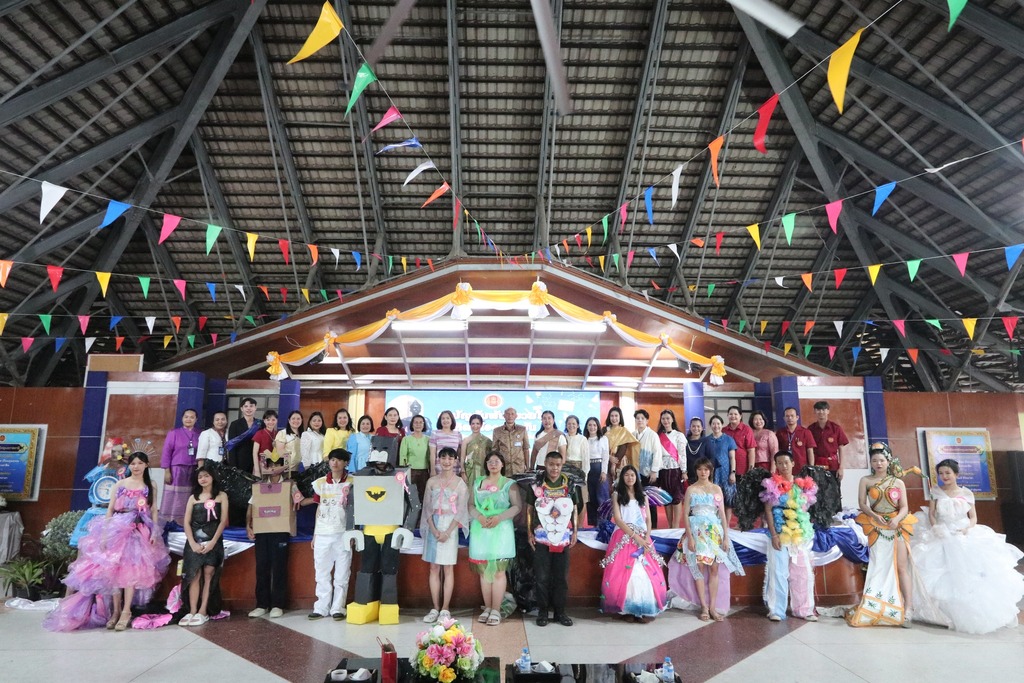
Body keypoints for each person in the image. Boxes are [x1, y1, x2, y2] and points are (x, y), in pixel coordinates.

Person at [49, 451, 171, 632]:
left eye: (140, 463)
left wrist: (154, 531)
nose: (136, 467)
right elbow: (110, 510)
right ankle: (115, 612)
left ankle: (126, 612)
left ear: (146, 465)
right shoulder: (120, 484)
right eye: (133, 463)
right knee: (114, 570)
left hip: (138, 530)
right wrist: (105, 534)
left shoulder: (150, 485)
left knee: (131, 570)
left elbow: (153, 511)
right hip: (118, 528)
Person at [910, 459, 1024, 634]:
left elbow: (973, 517)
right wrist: (936, 527)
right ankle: (941, 615)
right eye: (941, 473)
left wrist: (967, 529)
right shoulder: (935, 492)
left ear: (956, 474)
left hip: (963, 532)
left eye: (948, 473)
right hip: (942, 532)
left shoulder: (966, 493)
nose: (944, 476)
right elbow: (932, 514)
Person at [847, 443, 916, 627]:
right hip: (876, 527)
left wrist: (897, 519)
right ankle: (877, 605)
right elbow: (862, 503)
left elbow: (904, 507)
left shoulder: (898, 482)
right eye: (874, 460)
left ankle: (909, 608)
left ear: (888, 461)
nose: (878, 463)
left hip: (897, 526)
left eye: (882, 460)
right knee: (878, 565)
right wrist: (874, 515)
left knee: (901, 567)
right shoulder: (865, 480)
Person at [679, 457, 744, 622]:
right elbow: (685, 514)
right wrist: (690, 537)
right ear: (696, 471)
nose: (703, 472)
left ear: (710, 471)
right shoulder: (691, 489)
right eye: (700, 469)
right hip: (697, 531)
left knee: (714, 569)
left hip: (714, 531)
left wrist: (726, 537)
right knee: (700, 567)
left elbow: (722, 514)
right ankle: (704, 607)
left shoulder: (716, 489)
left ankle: (713, 607)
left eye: (706, 469)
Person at [600, 465, 667, 622]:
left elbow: (648, 519)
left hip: (643, 537)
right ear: (622, 477)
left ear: (637, 478)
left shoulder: (643, 496)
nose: (630, 478)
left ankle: (644, 609)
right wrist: (635, 536)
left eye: (632, 475)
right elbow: (618, 519)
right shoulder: (617, 495)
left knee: (644, 570)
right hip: (623, 535)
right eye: (627, 475)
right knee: (625, 571)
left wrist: (646, 537)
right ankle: (627, 610)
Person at [761, 451, 818, 622]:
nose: (783, 466)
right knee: (778, 572)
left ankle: (804, 610)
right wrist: (774, 534)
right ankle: (776, 610)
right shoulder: (773, 485)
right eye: (779, 463)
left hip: (799, 535)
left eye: (786, 462)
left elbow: (805, 509)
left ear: (793, 463)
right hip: (780, 533)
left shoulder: (803, 485)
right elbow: (768, 511)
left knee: (802, 572)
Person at [526, 452, 582, 627]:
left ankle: (560, 612)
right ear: (545, 463)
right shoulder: (536, 484)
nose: (554, 468)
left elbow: (575, 509)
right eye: (551, 464)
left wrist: (575, 532)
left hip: (563, 537)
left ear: (562, 464)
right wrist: (529, 533)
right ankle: (542, 612)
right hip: (541, 537)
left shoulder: (570, 484)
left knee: (561, 577)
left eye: (558, 465)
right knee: (541, 577)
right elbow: (529, 510)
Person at [468, 452, 522, 626]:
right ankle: (488, 607)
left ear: (502, 464)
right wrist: (478, 516)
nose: (493, 464)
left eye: (496, 461)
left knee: (499, 571)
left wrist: (499, 517)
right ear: (486, 464)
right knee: (484, 571)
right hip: (481, 530)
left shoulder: (509, 484)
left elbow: (517, 507)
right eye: (490, 461)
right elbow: (470, 505)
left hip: (501, 530)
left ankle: (496, 610)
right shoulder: (478, 482)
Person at [246, 452, 299, 619]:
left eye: (278, 464)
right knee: (261, 567)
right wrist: (248, 525)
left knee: (279, 566)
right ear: (266, 466)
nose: (274, 468)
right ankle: (262, 604)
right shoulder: (260, 486)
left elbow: (300, 500)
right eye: (271, 465)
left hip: (281, 530)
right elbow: (251, 506)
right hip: (262, 531)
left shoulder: (290, 485)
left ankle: (277, 604)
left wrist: (318, 499)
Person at [420, 447, 469, 623]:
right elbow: (426, 508)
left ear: (455, 461)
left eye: (450, 458)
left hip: (450, 527)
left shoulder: (460, 483)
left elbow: (461, 510)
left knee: (448, 568)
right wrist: (433, 529)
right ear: (438, 460)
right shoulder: (431, 482)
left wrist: (448, 532)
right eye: (443, 458)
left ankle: (445, 609)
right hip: (433, 525)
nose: (447, 461)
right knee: (433, 567)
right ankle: (435, 607)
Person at [305, 448, 354, 621]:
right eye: (332, 459)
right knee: (321, 572)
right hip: (323, 533)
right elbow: (318, 508)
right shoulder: (320, 483)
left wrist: (352, 533)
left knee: (342, 573)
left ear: (345, 463)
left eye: (339, 460)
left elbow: (356, 510)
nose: (335, 463)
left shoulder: (353, 482)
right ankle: (321, 607)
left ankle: (338, 607)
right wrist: (315, 534)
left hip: (343, 533)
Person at [180, 465, 229, 626]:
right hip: (194, 542)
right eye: (200, 476)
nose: (203, 479)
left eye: (206, 475)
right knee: (193, 575)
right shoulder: (192, 498)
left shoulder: (221, 496)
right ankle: (192, 610)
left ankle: (203, 611)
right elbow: (186, 522)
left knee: (209, 574)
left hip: (213, 541)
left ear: (213, 477)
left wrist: (213, 542)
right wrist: (192, 543)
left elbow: (223, 521)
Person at [160, 408, 202, 526]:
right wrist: (167, 471)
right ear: (182, 418)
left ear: (196, 419)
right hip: (176, 469)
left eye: (192, 417)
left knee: (190, 494)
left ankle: (187, 521)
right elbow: (166, 452)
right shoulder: (174, 433)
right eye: (186, 417)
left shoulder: (200, 434)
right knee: (175, 495)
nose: (189, 419)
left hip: (194, 469)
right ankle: (171, 521)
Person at [656, 410, 685, 529]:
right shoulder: (658, 436)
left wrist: (684, 470)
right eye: (663, 419)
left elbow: (682, 454)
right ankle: (669, 525)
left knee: (677, 497)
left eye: (668, 418)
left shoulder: (679, 435)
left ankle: (675, 525)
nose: (666, 421)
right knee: (666, 497)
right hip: (663, 470)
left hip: (676, 470)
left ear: (672, 419)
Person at [703, 416, 737, 516]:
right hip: (712, 474)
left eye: (718, 423)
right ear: (710, 425)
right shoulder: (706, 440)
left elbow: (732, 458)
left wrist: (733, 473)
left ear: (722, 425)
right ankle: (716, 522)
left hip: (726, 473)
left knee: (728, 500)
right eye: (713, 423)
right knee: (713, 500)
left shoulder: (729, 439)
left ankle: (727, 524)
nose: (716, 426)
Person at [808, 401, 849, 480]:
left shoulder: (836, 428)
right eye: (818, 410)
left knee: (833, 487)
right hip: (816, 465)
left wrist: (841, 468)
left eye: (823, 409)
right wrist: (811, 467)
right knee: (817, 487)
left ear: (828, 411)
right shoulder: (810, 429)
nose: (821, 412)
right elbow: (809, 450)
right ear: (814, 411)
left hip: (833, 465)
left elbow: (841, 448)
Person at [400, 414, 431, 507]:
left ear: (424, 425)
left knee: (423, 497)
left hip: (424, 472)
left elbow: (429, 457)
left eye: (421, 422)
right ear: (412, 424)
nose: (418, 424)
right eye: (416, 422)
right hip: (411, 472)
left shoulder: (428, 439)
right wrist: (404, 473)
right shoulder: (406, 439)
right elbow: (403, 457)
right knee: (411, 497)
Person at [584, 416, 610, 525]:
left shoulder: (603, 439)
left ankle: (605, 523)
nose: (592, 427)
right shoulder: (584, 439)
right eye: (590, 425)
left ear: (598, 426)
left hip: (599, 468)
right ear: (586, 427)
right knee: (591, 498)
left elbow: (605, 456)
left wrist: (604, 471)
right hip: (587, 469)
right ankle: (594, 524)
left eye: (594, 425)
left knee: (602, 497)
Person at [492, 407, 530, 475]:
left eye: (512, 414)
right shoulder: (497, 431)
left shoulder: (522, 430)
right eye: (508, 414)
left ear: (516, 416)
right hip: (504, 468)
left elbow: (526, 449)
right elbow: (495, 451)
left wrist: (527, 467)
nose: (510, 416)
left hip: (519, 468)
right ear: (504, 416)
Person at [227, 397, 260, 473]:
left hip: (256, 462)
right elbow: (231, 446)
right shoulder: (235, 424)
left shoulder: (260, 424)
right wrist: (233, 466)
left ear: (255, 408)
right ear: (241, 409)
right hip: (240, 461)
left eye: (251, 406)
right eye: (246, 406)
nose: (249, 408)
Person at [604, 406, 639, 478]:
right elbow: (600, 447)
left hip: (620, 462)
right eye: (612, 416)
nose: (614, 418)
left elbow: (623, 448)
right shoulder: (604, 430)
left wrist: (614, 463)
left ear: (620, 417)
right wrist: (609, 457)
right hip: (605, 460)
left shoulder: (624, 431)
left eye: (616, 416)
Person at [722, 406, 756, 476]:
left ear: (740, 416)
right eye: (730, 414)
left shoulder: (747, 429)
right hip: (726, 466)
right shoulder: (723, 430)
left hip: (742, 467)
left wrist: (751, 468)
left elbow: (751, 450)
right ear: (727, 416)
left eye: (735, 414)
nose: (733, 416)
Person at [460, 413, 492, 486]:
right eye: (473, 423)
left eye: (478, 423)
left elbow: (491, 457)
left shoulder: (487, 441)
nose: (475, 426)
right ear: (470, 424)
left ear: (481, 425)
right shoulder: (466, 440)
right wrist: (463, 472)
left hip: (484, 470)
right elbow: (462, 457)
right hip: (470, 471)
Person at [430, 410, 463, 476]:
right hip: (439, 469)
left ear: (452, 420)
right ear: (440, 421)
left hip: (454, 469)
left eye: (448, 418)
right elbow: (432, 454)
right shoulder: (435, 433)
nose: (445, 420)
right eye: (443, 418)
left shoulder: (458, 434)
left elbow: (460, 454)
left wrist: (462, 469)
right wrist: (432, 470)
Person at [251, 410, 279, 477]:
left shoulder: (278, 434)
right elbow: (254, 452)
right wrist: (257, 470)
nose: (271, 422)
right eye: (268, 420)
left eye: (273, 420)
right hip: (261, 465)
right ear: (264, 421)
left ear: (276, 420)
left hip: (274, 465)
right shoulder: (259, 433)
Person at [684, 417, 707, 484]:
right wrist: (683, 472)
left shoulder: (707, 441)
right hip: (687, 475)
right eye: (693, 426)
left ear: (702, 428)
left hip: (703, 475)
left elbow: (711, 459)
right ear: (690, 428)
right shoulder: (684, 441)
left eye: (698, 426)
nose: (696, 428)